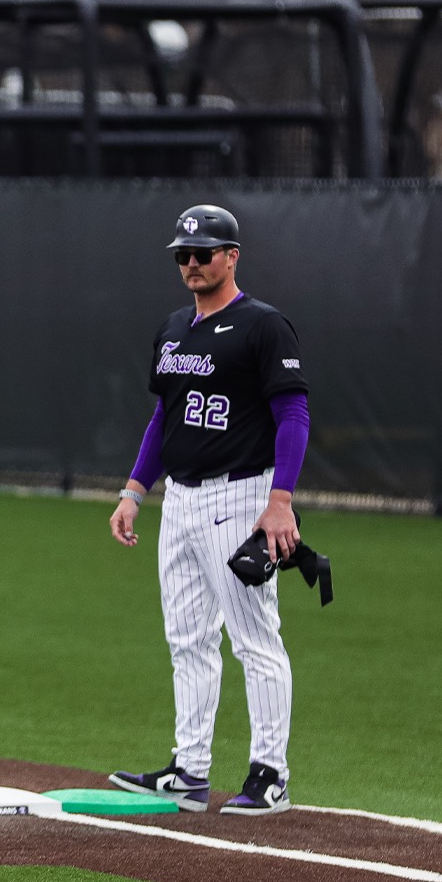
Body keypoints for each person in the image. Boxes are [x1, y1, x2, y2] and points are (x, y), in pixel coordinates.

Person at [106, 205, 310, 817]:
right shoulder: (173, 328)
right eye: (183, 255)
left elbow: (293, 415)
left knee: (254, 639)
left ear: (231, 257)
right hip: (181, 499)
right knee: (187, 639)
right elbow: (164, 416)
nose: (191, 263)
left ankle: (270, 775)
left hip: (240, 495)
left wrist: (280, 501)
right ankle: (189, 771)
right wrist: (135, 490)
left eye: (203, 253)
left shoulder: (264, 326)